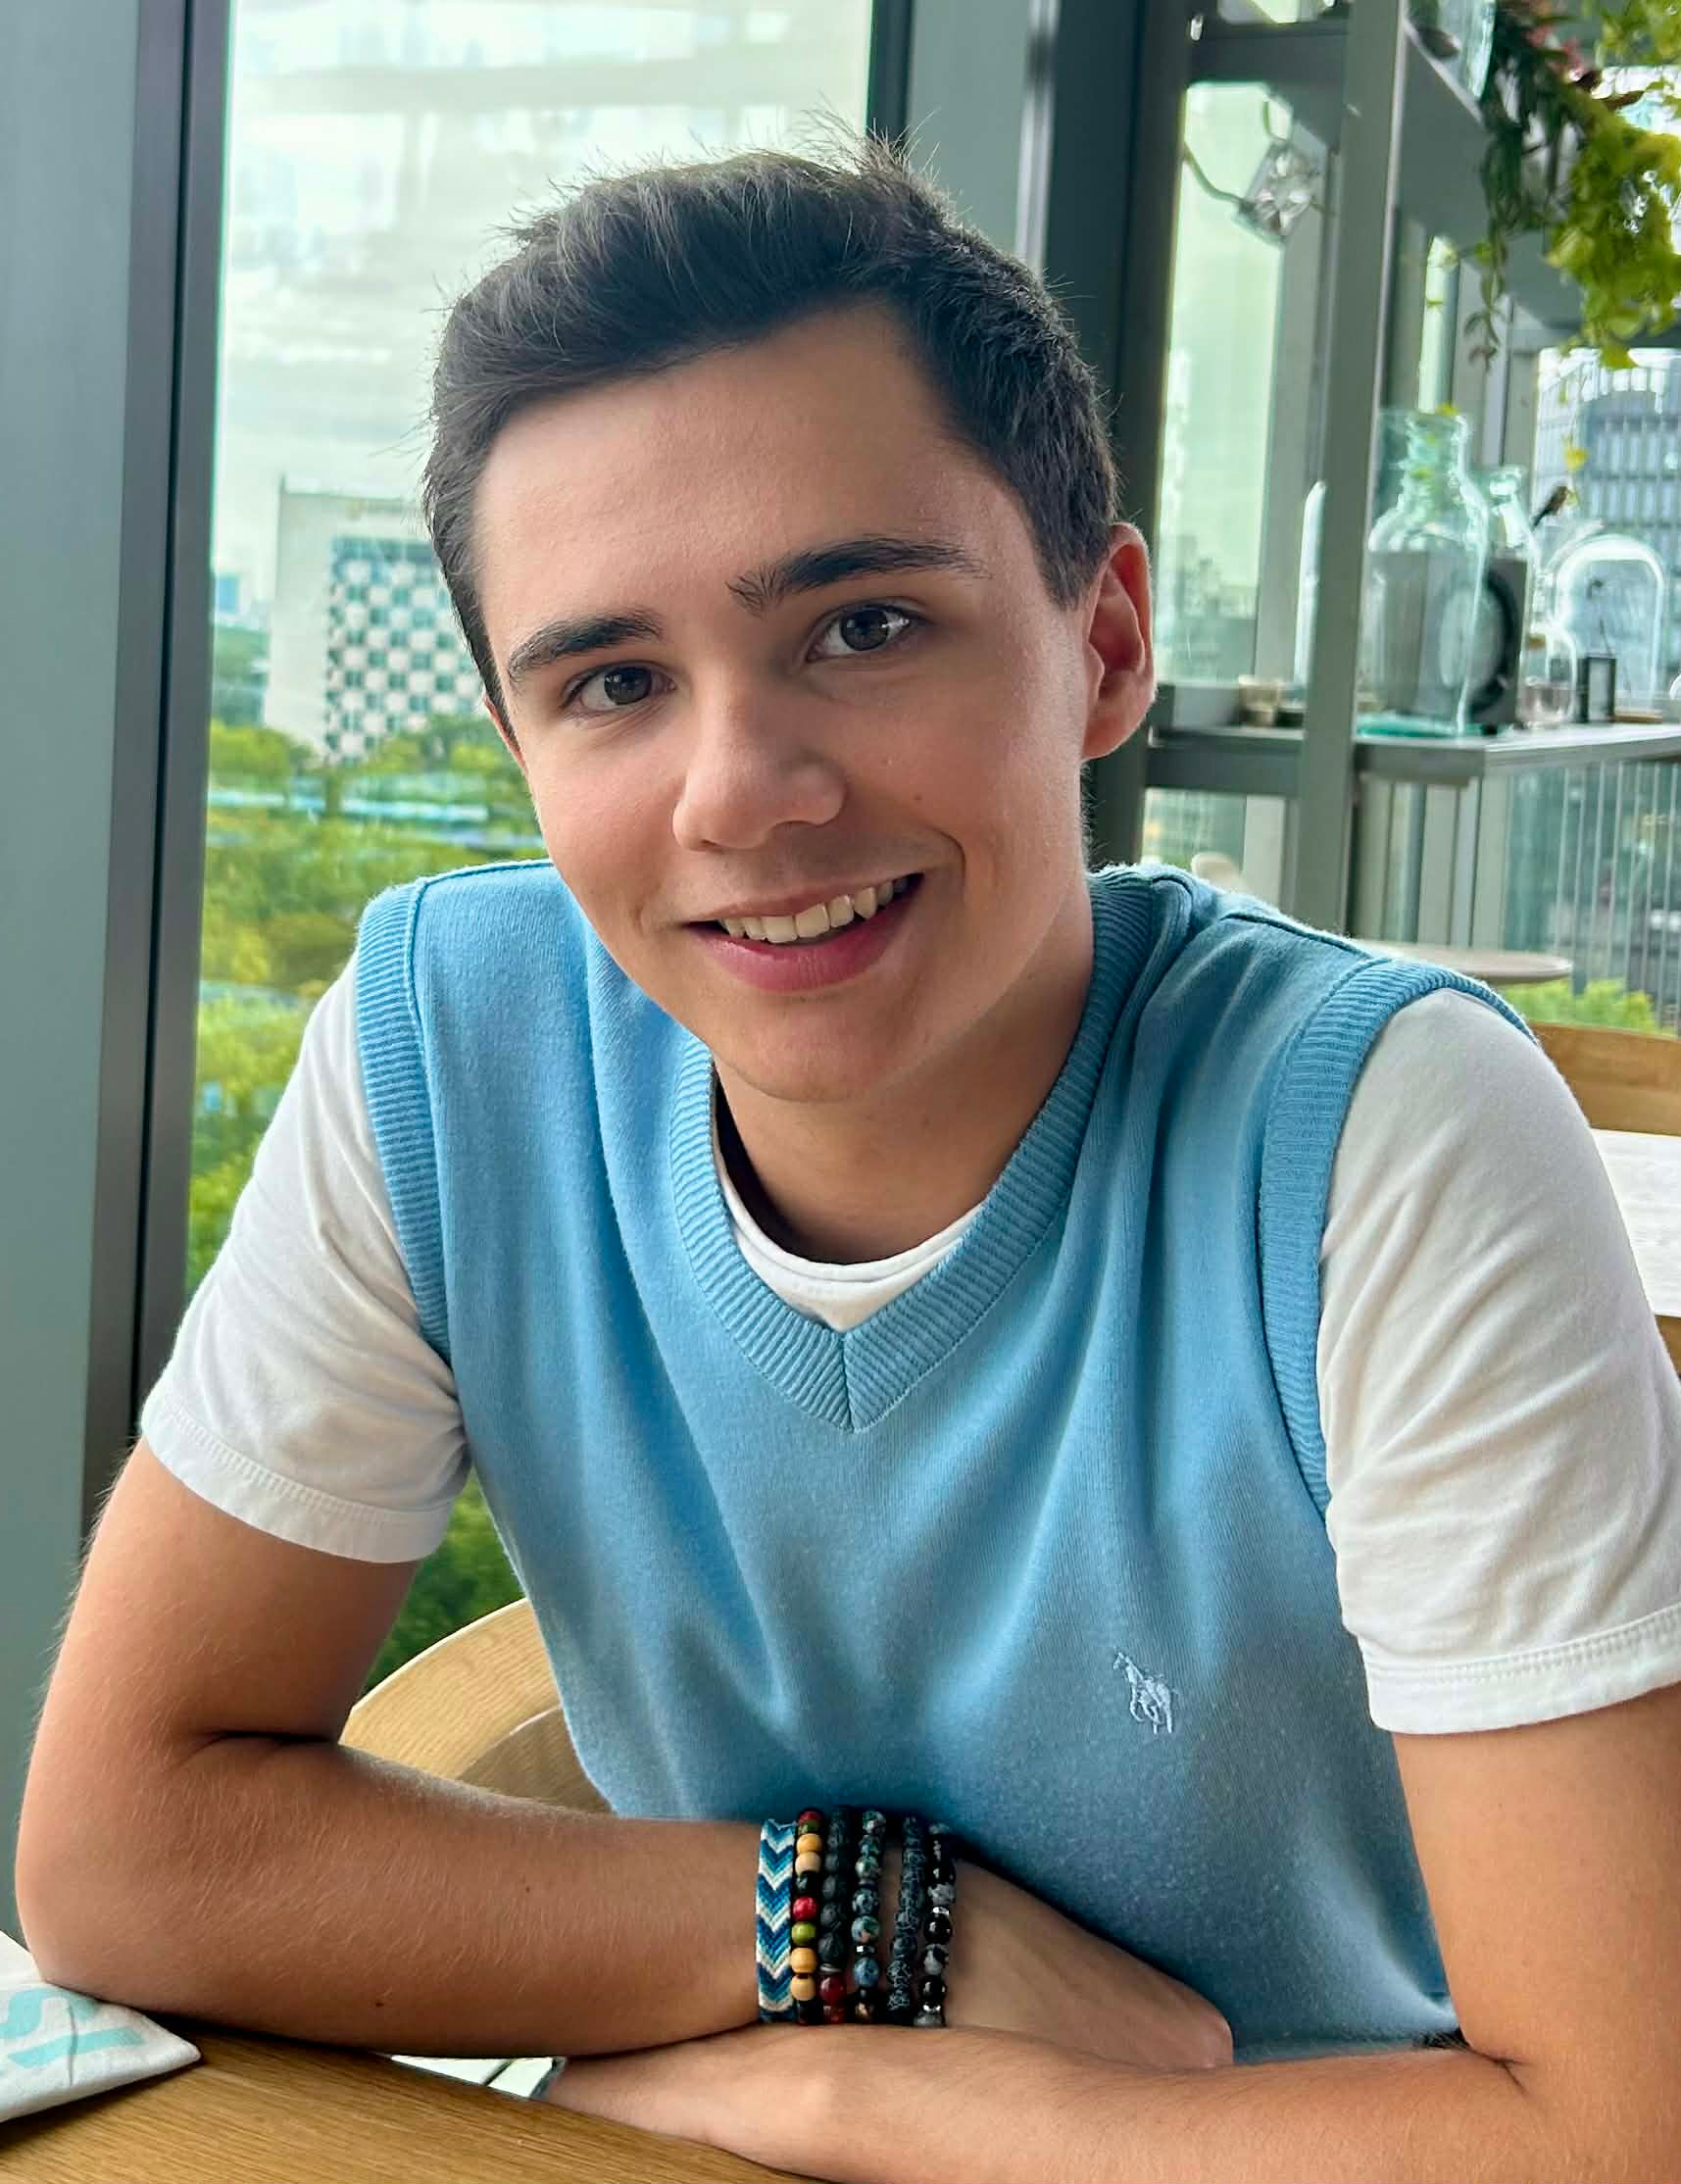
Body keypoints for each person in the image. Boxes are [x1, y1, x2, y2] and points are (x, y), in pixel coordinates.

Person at [18, 130, 1681, 2182]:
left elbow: (1618, 2129)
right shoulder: (452, 1047)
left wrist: (847, 2092)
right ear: (520, 744)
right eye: (613, 683)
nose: (743, 791)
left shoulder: (1375, 1138)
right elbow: (122, 1851)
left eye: (866, 626)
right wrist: (872, 1926)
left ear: (1104, 641)